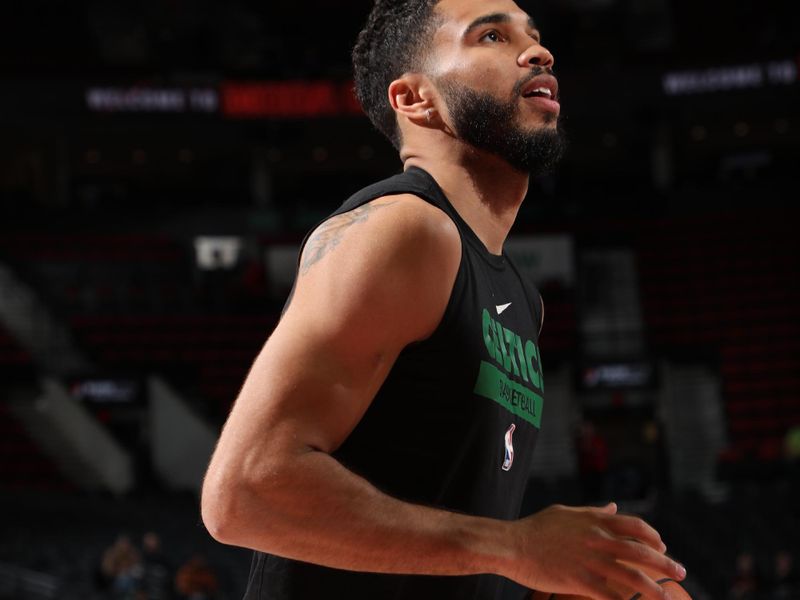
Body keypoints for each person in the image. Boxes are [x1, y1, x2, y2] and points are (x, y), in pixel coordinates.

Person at [201, 0, 687, 598]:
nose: (539, 52)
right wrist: (516, 548)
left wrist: (558, 575)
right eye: (491, 35)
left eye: (533, 36)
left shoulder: (521, 299)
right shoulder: (404, 230)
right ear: (415, 99)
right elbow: (246, 493)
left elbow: (442, 543)